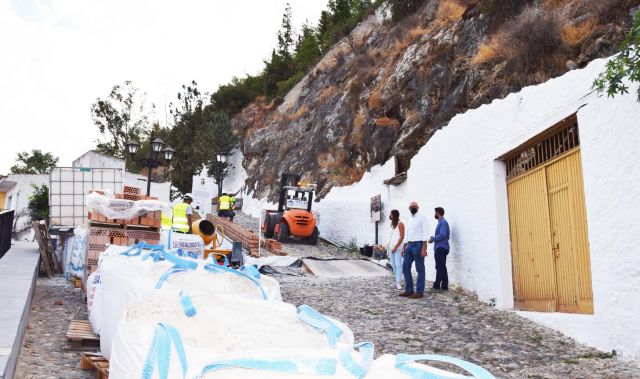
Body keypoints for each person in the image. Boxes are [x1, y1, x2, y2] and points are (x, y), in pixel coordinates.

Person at [400, 201, 429, 299]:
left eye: (414, 206)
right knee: (405, 267)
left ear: (417, 207)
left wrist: (424, 248)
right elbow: (407, 234)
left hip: (419, 244)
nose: (412, 208)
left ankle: (419, 292)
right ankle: (409, 290)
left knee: (420, 269)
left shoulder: (422, 218)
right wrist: (404, 247)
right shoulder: (409, 219)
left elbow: (425, 232)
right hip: (409, 245)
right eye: (410, 207)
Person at [429, 207, 450, 291]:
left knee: (439, 266)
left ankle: (437, 285)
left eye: (435, 212)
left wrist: (433, 239)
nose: (435, 214)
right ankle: (445, 285)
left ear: (438, 213)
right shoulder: (441, 222)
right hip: (441, 247)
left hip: (441, 247)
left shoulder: (443, 222)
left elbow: (442, 235)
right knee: (442, 266)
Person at [387, 210, 405, 290]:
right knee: (393, 265)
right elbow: (390, 237)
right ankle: (397, 280)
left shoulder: (400, 224)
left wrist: (396, 247)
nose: (390, 216)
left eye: (391, 215)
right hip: (391, 248)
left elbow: (402, 237)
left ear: (394, 215)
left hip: (398, 248)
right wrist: (386, 246)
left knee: (398, 265)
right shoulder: (392, 225)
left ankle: (398, 282)